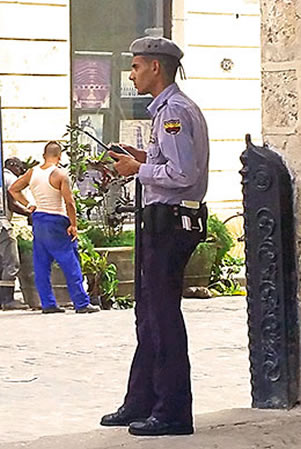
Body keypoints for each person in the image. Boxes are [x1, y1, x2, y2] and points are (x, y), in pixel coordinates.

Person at [100, 37, 209, 436]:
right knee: (147, 316)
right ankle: (142, 400)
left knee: (162, 319)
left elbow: (183, 175)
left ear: (155, 68)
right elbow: (170, 162)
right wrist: (140, 158)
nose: (132, 74)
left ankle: (173, 411)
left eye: (136, 66)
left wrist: (137, 170)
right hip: (159, 221)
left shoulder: (174, 112)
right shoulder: (165, 111)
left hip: (171, 223)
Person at [9, 141, 100, 314]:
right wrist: (73, 225)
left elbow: (14, 189)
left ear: (44, 155)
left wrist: (29, 205)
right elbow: (69, 202)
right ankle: (81, 303)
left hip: (39, 220)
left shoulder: (32, 172)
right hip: (56, 221)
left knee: (41, 264)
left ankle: (48, 304)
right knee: (70, 262)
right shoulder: (59, 174)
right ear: (59, 157)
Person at [0, 158, 31, 310]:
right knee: (11, 260)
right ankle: (7, 300)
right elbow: (12, 203)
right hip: (2, 223)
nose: (20, 172)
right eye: (20, 168)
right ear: (12, 166)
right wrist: (30, 212)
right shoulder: (10, 178)